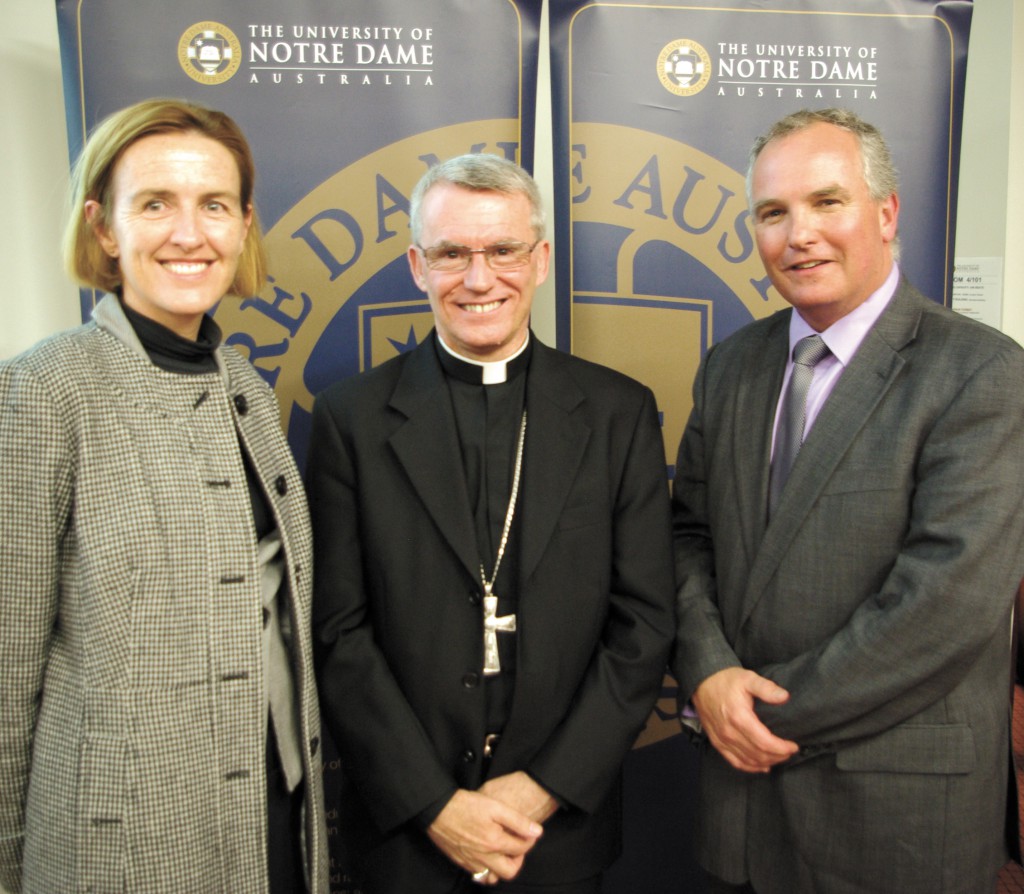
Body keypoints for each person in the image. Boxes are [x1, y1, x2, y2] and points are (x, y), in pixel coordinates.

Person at [670, 106, 1024, 893]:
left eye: (827, 202)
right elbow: (686, 535)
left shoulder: (981, 373)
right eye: (773, 212)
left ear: (888, 213)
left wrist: (760, 716)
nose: (799, 234)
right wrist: (706, 672)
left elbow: (944, 604)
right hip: (744, 807)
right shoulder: (731, 367)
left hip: (893, 810)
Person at [307, 153, 675, 893]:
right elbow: (337, 634)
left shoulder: (616, 413)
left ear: (539, 260)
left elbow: (643, 624)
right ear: (418, 265)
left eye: (503, 250)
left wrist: (539, 788)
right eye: (452, 254)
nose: (479, 280)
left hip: (558, 830)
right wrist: (435, 805)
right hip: (409, 835)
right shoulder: (351, 418)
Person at [0, 98, 328, 893]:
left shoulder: (247, 387)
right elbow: (7, 664)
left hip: (274, 817)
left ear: (244, 225)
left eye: (214, 205)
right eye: (155, 204)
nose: (190, 234)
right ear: (105, 228)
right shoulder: (45, 390)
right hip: (121, 843)